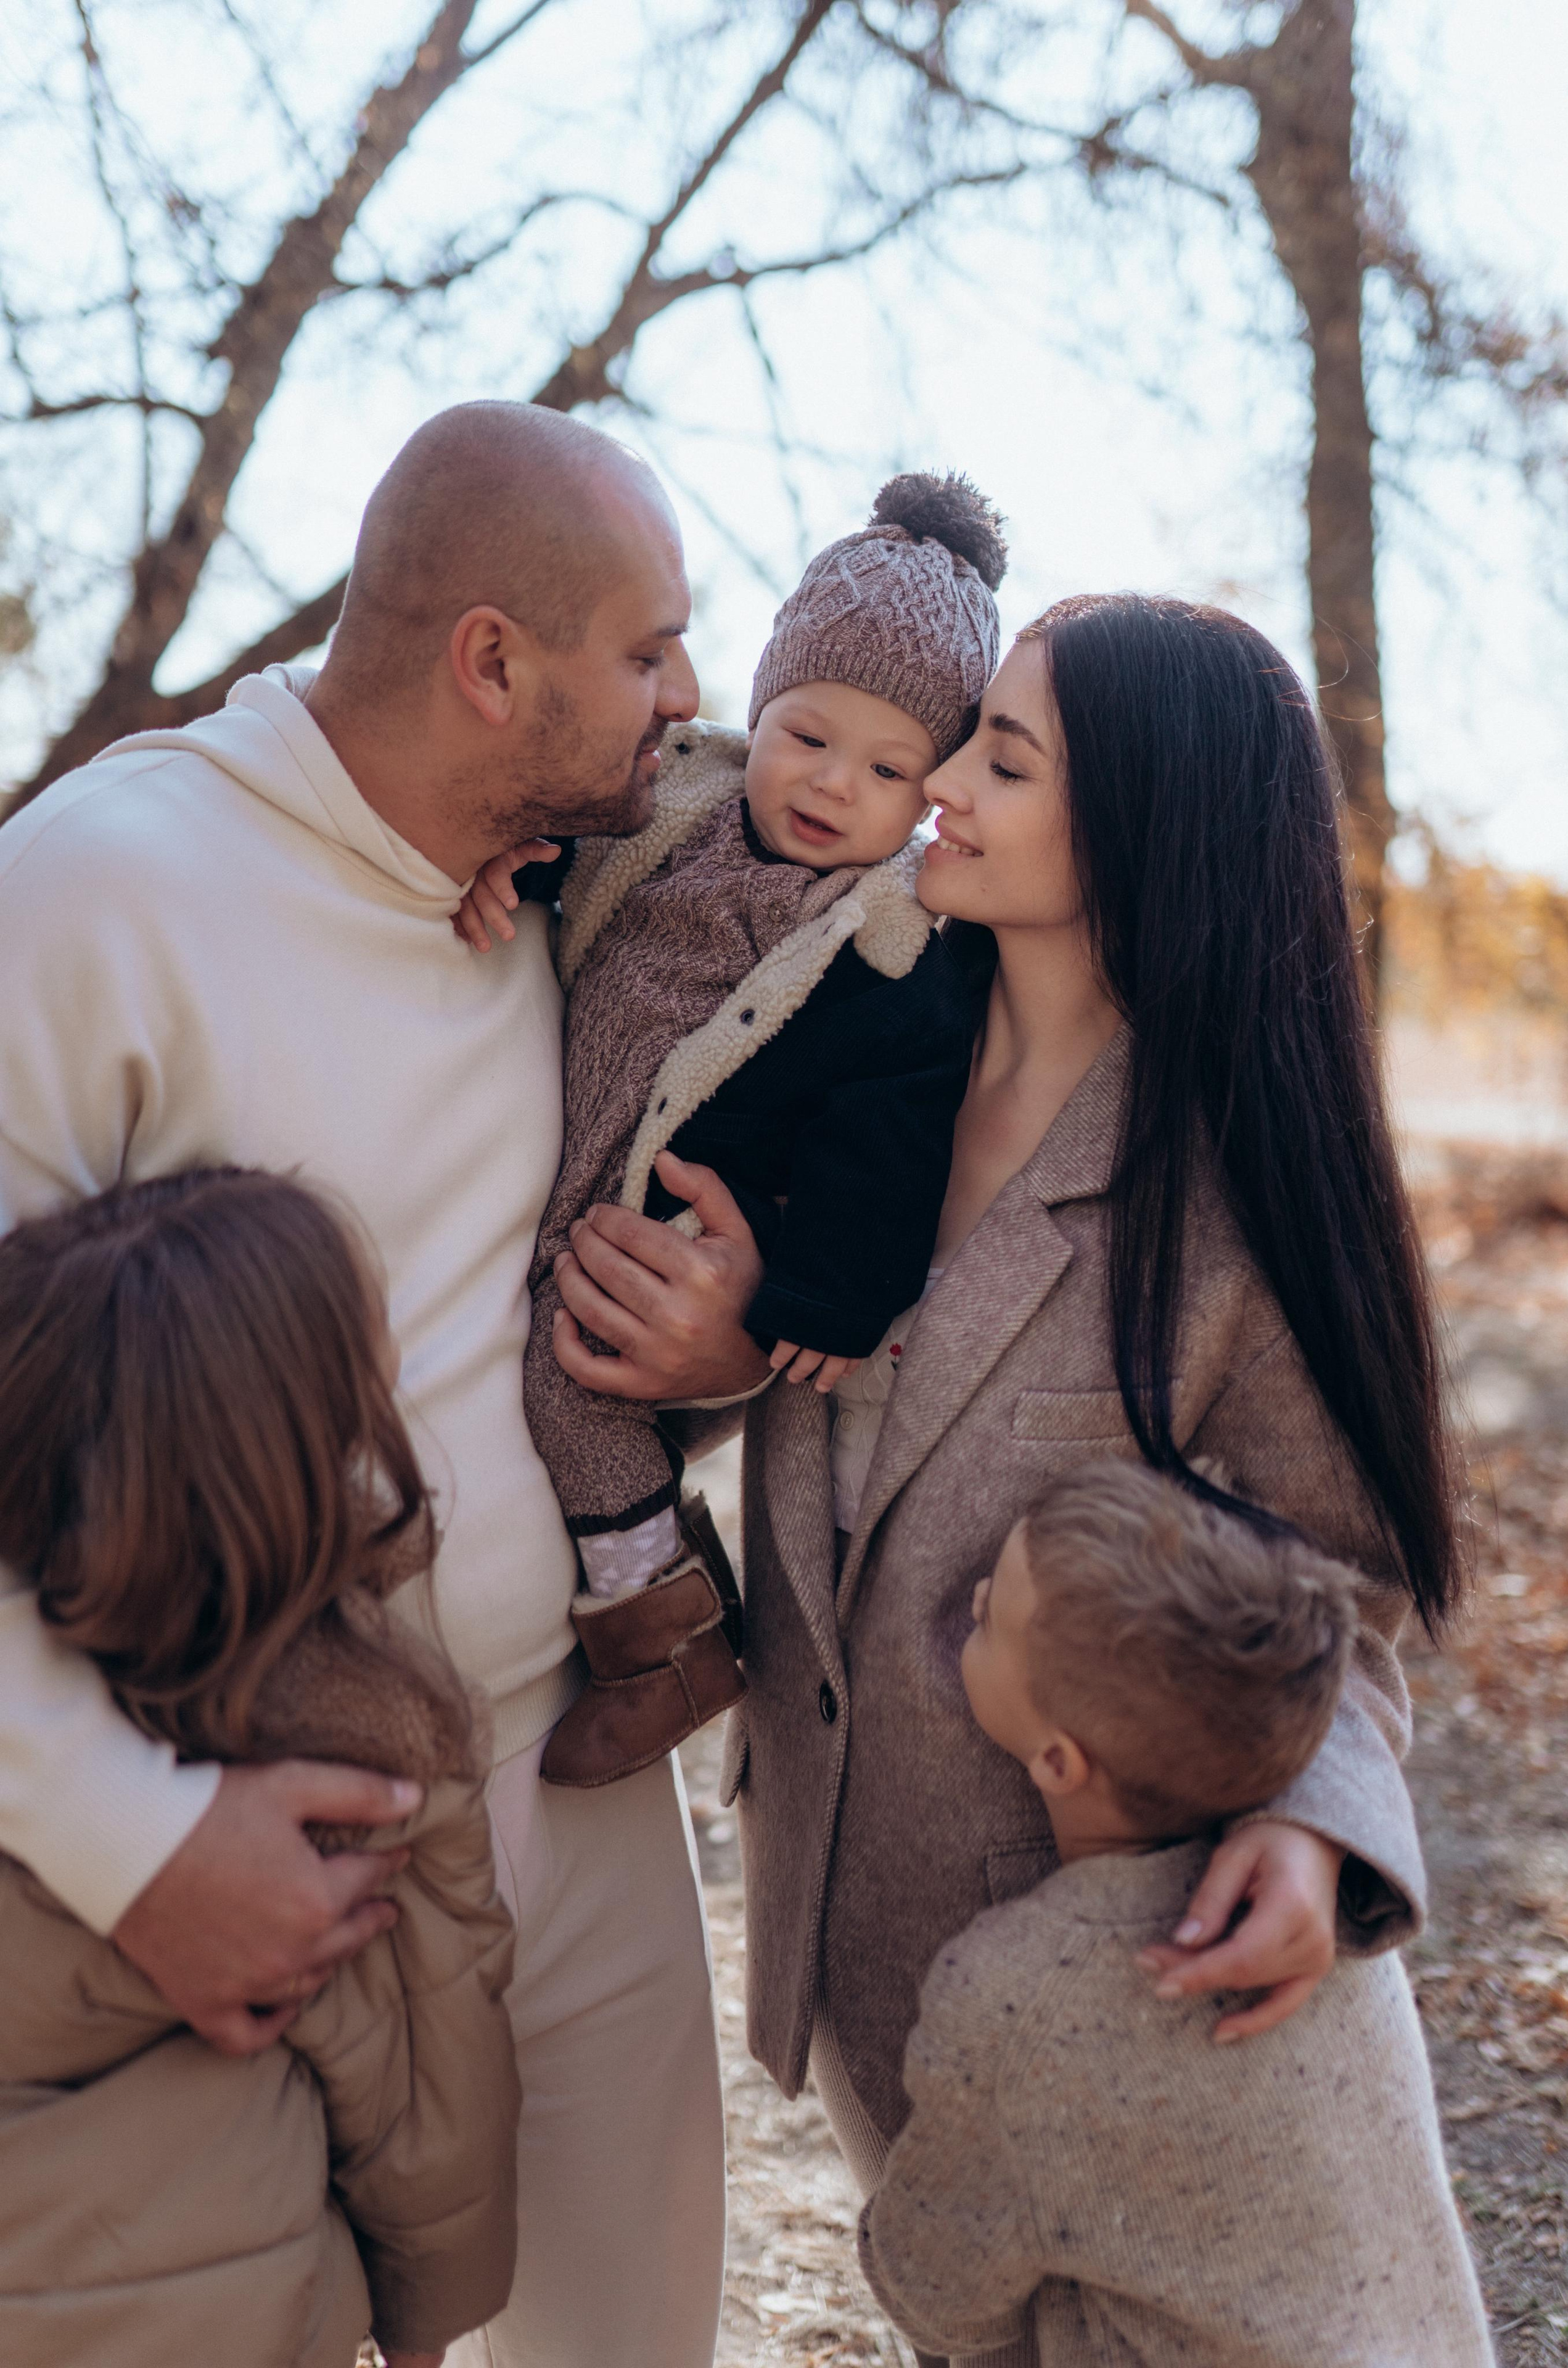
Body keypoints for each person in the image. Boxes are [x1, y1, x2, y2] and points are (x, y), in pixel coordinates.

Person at [549, 593, 1461, 2368]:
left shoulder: (1233, 1194)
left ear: (1134, 828)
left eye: (1004, 756)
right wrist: (734, 1355)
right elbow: (856, 1426)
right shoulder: (866, 1040)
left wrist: (1310, 1824)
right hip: (849, 1918)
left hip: (1122, 1978)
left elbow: (1341, 1590)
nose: (944, 781)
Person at [0, 401, 731, 2368]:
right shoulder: (90, 895)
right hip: (248, 1827)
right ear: (492, 664)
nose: (692, 695)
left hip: (575, 1788)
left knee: (635, 2343)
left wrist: (724, 1349)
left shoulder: (564, 886)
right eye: (651, 650)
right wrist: (123, 1838)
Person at [461, 475, 998, 1785]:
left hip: (657, 1224)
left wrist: (825, 1292)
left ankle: (671, 1642)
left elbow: (889, 1134)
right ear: (761, 707)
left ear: (927, 794)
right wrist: (491, 855)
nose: (831, 786)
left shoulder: (895, 937)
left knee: (566, 1384)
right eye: (808, 736)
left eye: (886, 771)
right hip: (562, 1159)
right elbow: (565, 840)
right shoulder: (674, 804)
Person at [0, 1167, 519, 2368]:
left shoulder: (37, 1722)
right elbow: (427, 2104)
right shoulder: (369, 1737)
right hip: (233, 2313)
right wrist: (430, 2322)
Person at [856, 1464, 1492, 2367]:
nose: (977, 1594)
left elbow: (938, 2302)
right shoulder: (1333, 1923)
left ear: (1060, 1763)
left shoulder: (1017, 1994)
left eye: (992, 1621)